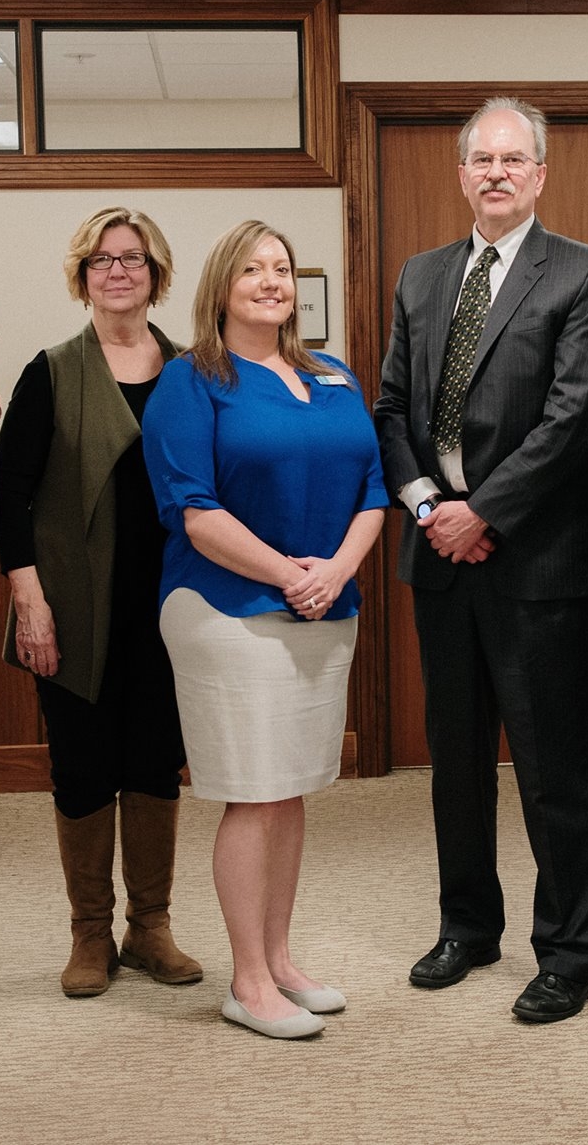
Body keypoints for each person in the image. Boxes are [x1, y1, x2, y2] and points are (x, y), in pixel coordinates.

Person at [373, 96, 588, 1024]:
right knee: (458, 760)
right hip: (440, 556)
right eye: (482, 159)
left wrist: (484, 512)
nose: (498, 173)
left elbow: (571, 419)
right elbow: (391, 407)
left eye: (515, 159)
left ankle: (570, 953)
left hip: (539, 562)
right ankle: (468, 926)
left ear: (541, 174)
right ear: (463, 172)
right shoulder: (424, 274)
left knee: (556, 767)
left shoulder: (584, 275)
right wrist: (431, 507)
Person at [144, 219, 388, 1041]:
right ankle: (246, 980)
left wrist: (337, 571)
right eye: (251, 267)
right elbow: (193, 508)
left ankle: (280, 959)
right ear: (221, 285)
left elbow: (375, 491)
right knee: (253, 793)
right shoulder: (192, 380)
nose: (269, 280)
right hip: (225, 608)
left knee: (289, 791)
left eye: (281, 267)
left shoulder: (333, 374)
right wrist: (290, 572)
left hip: (327, 606)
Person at [0, 206, 200, 999]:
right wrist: (29, 603)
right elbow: (10, 497)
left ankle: (150, 926)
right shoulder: (50, 371)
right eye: (102, 260)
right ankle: (89, 933)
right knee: (82, 765)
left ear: (156, 274)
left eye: (134, 259)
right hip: (73, 610)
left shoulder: (191, 370)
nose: (119, 271)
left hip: (171, 606)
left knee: (155, 763)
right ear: (82, 276)